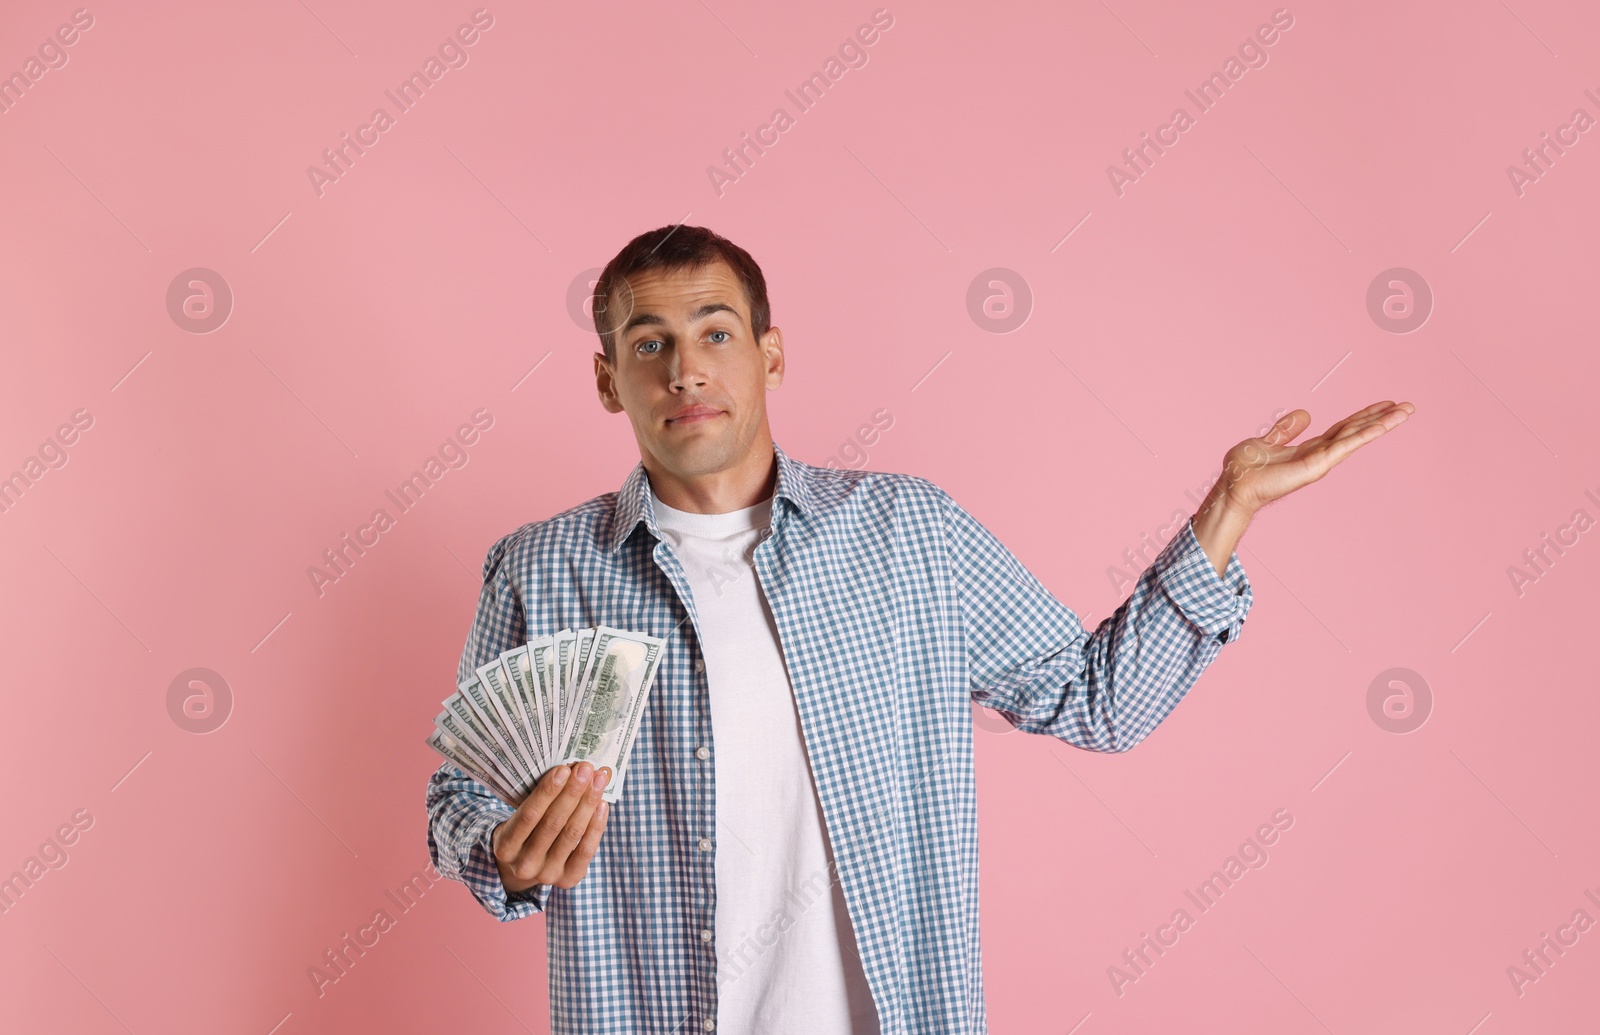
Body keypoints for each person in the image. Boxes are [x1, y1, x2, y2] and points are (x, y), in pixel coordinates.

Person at [424, 224, 1415, 1034]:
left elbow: (1100, 699)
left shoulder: (909, 533)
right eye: (650, 342)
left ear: (770, 353)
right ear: (608, 379)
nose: (687, 367)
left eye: (715, 331)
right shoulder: (542, 569)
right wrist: (503, 853)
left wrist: (1228, 510)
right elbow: (457, 800)